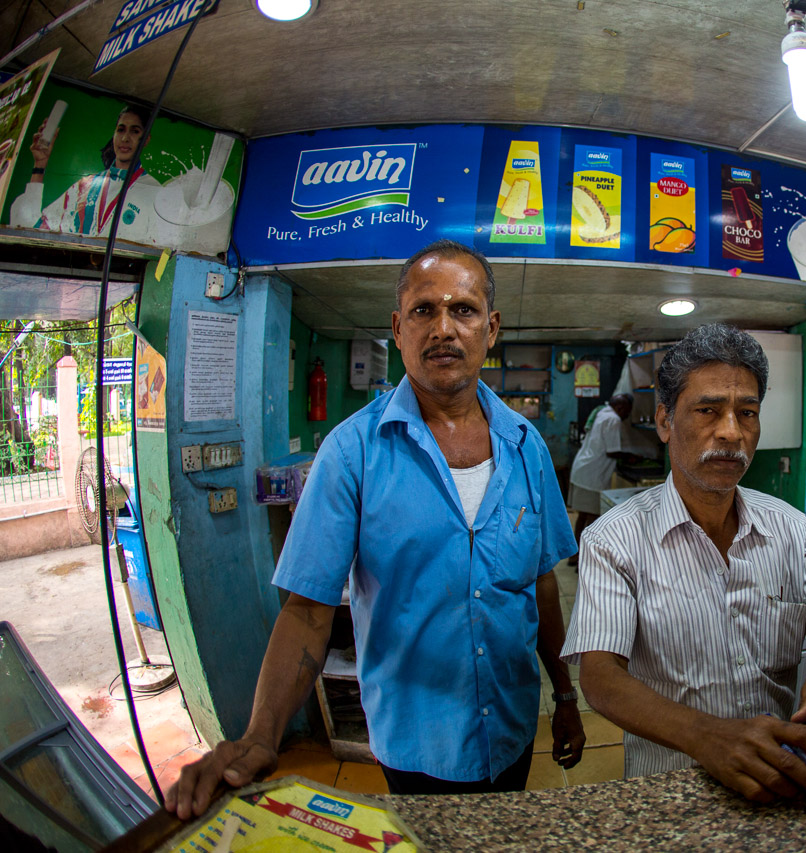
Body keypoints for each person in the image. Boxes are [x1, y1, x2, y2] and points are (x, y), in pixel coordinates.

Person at [166, 240, 585, 819]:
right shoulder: (352, 452)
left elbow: (541, 584)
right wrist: (262, 734)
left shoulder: (526, 446)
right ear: (397, 328)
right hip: (415, 744)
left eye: (463, 310)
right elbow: (307, 611)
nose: (443, 328)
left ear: (490, 329)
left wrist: (564, 694)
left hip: (512, 726)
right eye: (423, 310)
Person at [561, 323, 806, 803]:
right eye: (708, 410)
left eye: (747, 412)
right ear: (664, 422)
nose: (731, 431)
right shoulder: (614, 539)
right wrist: (706, 736)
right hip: (670, 786)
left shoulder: (790, 528)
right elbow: (601, 678)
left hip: (780, 773)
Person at [8, 104, 162, 241]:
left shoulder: (155, 193)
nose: (125, 138)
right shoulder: (86, 186)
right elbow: (33, 228)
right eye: (120, 130)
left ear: (145, 140)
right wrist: (39, 166)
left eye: (135, 131)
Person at [566, 392, 633, 555]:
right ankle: (587, 557)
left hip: (583, 469)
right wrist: (632, 456)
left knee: (583, 515)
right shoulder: (613, 419)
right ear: (620, 407)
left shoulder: (602, 412)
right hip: (592, 475)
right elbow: (612, 451)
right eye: (628, 411)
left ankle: (576, 555)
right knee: (593, 518)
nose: (627, 416)